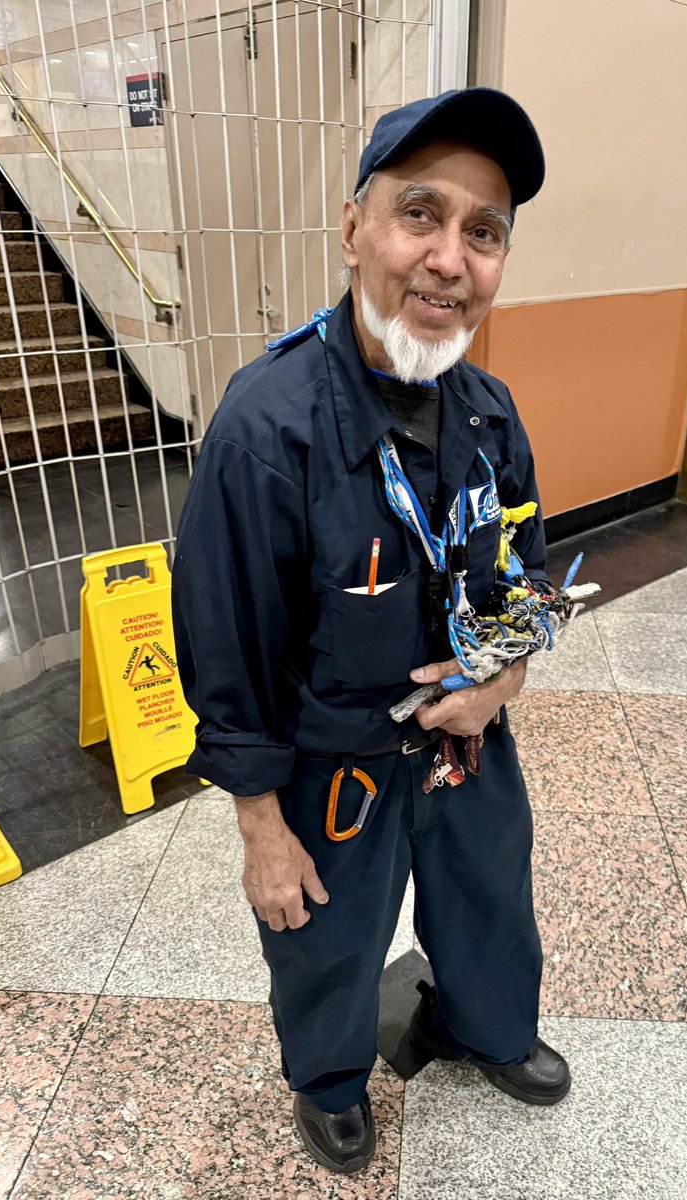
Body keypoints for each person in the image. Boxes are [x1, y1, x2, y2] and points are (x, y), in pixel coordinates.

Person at [172, 87, 570, 1176]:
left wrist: (503, 680)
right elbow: (222, 646)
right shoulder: (268, 429)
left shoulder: (489, 413)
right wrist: (261, 825)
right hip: (331, 762)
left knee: (494, 900)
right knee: (328, 944)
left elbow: (527, 576)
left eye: (482, 233)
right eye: (420, 215)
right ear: (354, 229)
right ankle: (332, 1083)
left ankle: (477, 1026)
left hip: (467, 743)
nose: (449, 259)